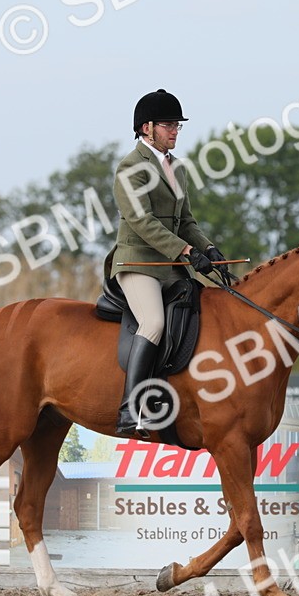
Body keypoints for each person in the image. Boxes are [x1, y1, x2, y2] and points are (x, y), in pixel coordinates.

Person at [109, 88, 228, 435]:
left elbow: (186, 221)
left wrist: (209, 249)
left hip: (171, 267)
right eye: (168, 124)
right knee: (154, 324)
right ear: (147, 128)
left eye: (178, 125)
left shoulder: (177, 168)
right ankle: (130, 410)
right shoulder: (130, 168)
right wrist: (188, 253)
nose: (175, 130)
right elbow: (142, 222)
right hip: (139, 265)